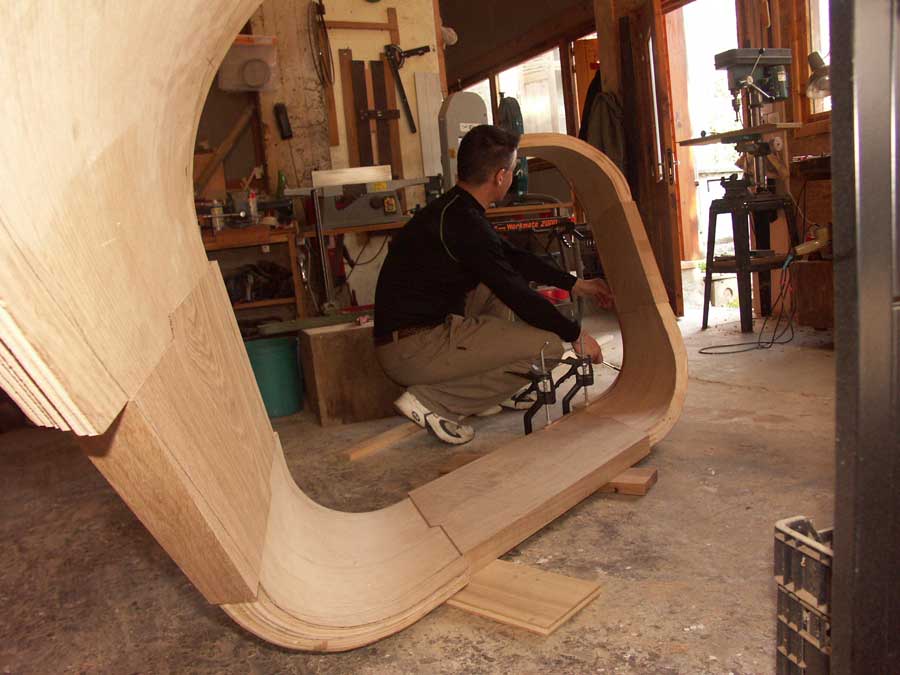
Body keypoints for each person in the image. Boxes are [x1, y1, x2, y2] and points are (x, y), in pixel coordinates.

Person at [373, 124, 613, 445]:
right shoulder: (467, 225)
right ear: (500, 177)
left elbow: (512, 259)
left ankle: (497, 391)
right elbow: (518, 295)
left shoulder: (453, 209)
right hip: (413, 350)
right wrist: (574, 335)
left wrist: (575, 284)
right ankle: (437, 402)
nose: (513, 177)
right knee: (548, 348)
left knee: (496, 282)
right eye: (512, 171)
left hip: (407, 337)